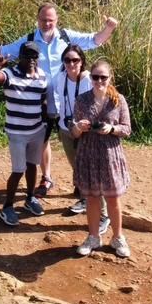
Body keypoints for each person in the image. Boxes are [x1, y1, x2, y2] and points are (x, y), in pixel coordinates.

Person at [0, 2, 119, 196]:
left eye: (50, 20)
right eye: (43, 20)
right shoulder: (30, 39)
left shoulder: (66, 36)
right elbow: (1, 51)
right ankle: (46, 178)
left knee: (78, 140)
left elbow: (95, 40)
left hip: (68, 100)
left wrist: (110, 27)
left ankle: (81, 181)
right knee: (42, 139)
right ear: (37, 19)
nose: (47, 23)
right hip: (41, 99)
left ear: (57, 20)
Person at [71, 58, 133, 258]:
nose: (99, 81)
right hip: (88, 153)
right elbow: (73, 133)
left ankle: (118, 237)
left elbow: (127, 129)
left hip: (110, 154)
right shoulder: (82, 100)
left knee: (113, 199)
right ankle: (93, 237)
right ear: (91, 78)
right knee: (91, 198)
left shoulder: (118, 100)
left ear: (110, 78)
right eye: (95, 77)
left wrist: (112, 129)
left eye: (103, 77)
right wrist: (79, 127)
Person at [49, 45, 109, 234]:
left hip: (86, 132)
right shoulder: (61, 77)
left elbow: (98, 102)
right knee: (78, 169)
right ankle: (85, 199)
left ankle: (104, 215)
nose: (71, 64)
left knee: (92, 174)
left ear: (82, 61)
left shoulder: (88, 79)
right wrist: (61, 117)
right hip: (67, 129)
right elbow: (58, 96)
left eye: (75, 60)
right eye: (67, 60)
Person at [0, 42, 50, 227]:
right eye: (27, 57)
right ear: (20, 58)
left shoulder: (43, 77)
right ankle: (7, 207)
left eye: (35, 57)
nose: (31, 61)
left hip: (36, 130)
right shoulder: (11, 74)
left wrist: (47, 124)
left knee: (32, 165)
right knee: (18, 170)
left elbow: (43, 101)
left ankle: (30, 198)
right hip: (17, 132)